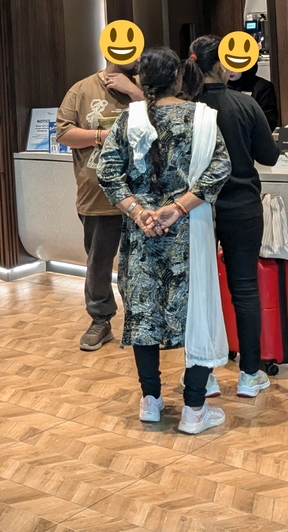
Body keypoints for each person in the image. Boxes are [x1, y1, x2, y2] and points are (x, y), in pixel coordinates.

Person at [97, 47, 232, 434]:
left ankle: (151, 400)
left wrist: (139, 213)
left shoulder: (129, 119)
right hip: (189, 232)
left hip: (142, 235)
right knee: (197, 312)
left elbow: (107, 172)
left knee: (143, 313)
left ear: (141, 80)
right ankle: (193, 409)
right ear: (178, 77)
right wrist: (177, 208)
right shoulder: (202, 117)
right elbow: (220, 168)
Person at [188, 35, 282, 398]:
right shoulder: (245, 104)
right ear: (223, 64)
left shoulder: (186, 108)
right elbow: (269, 156)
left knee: (199, 289)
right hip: (242, 205)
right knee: (244, 289)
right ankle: (249, 374)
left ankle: (203, 376)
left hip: (194, 209)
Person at [56, 58, 144, 351]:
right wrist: (102, 136)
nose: (134, 56)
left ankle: (141, 321)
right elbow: (64, 134)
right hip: (97, 196)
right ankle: (100, 319)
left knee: (141, 263)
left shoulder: (146, 85)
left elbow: (165, 121)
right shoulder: (81, 90)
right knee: (98, 262)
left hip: (142, 197)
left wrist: (135, 92)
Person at [227, 67, 280, 132]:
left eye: (235, 66)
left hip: (252, 134)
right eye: (227, 66)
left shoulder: (262, 87)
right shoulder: (221, 86)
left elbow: (269, 120)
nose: (231, 71)